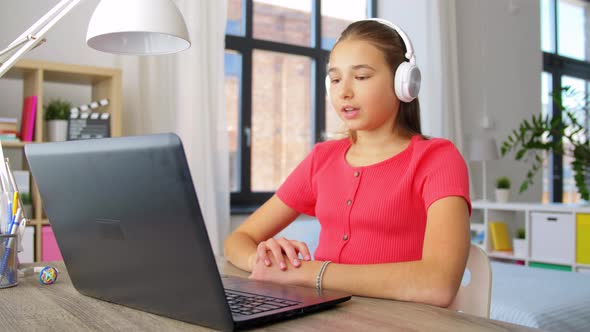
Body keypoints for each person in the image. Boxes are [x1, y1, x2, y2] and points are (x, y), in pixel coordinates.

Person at [224, 18, 471, 307]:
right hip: (323, 316)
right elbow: (238, 239)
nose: (344, 92)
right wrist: (269, 262)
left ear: (404, 82)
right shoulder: (322, 158)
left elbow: (437, 285)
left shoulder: (437, 159)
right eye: (336, 79)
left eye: (362, 76)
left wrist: (311, 273)